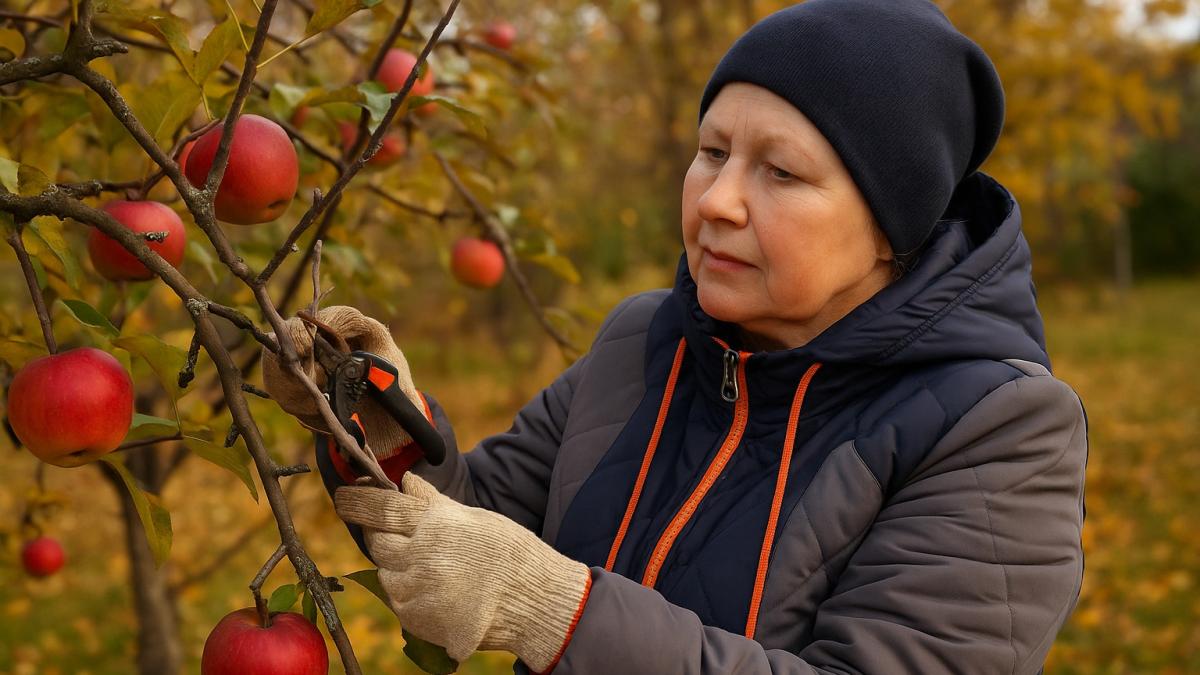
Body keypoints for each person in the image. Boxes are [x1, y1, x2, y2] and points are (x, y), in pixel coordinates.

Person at [262, 1, 1088, 672]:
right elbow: (467, 534)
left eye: (781, 171)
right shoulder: (644, 341)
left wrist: (560, 613)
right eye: (713, 151)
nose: (718, 199)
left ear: (888, 228)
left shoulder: (996, 427)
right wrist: (377, 421)